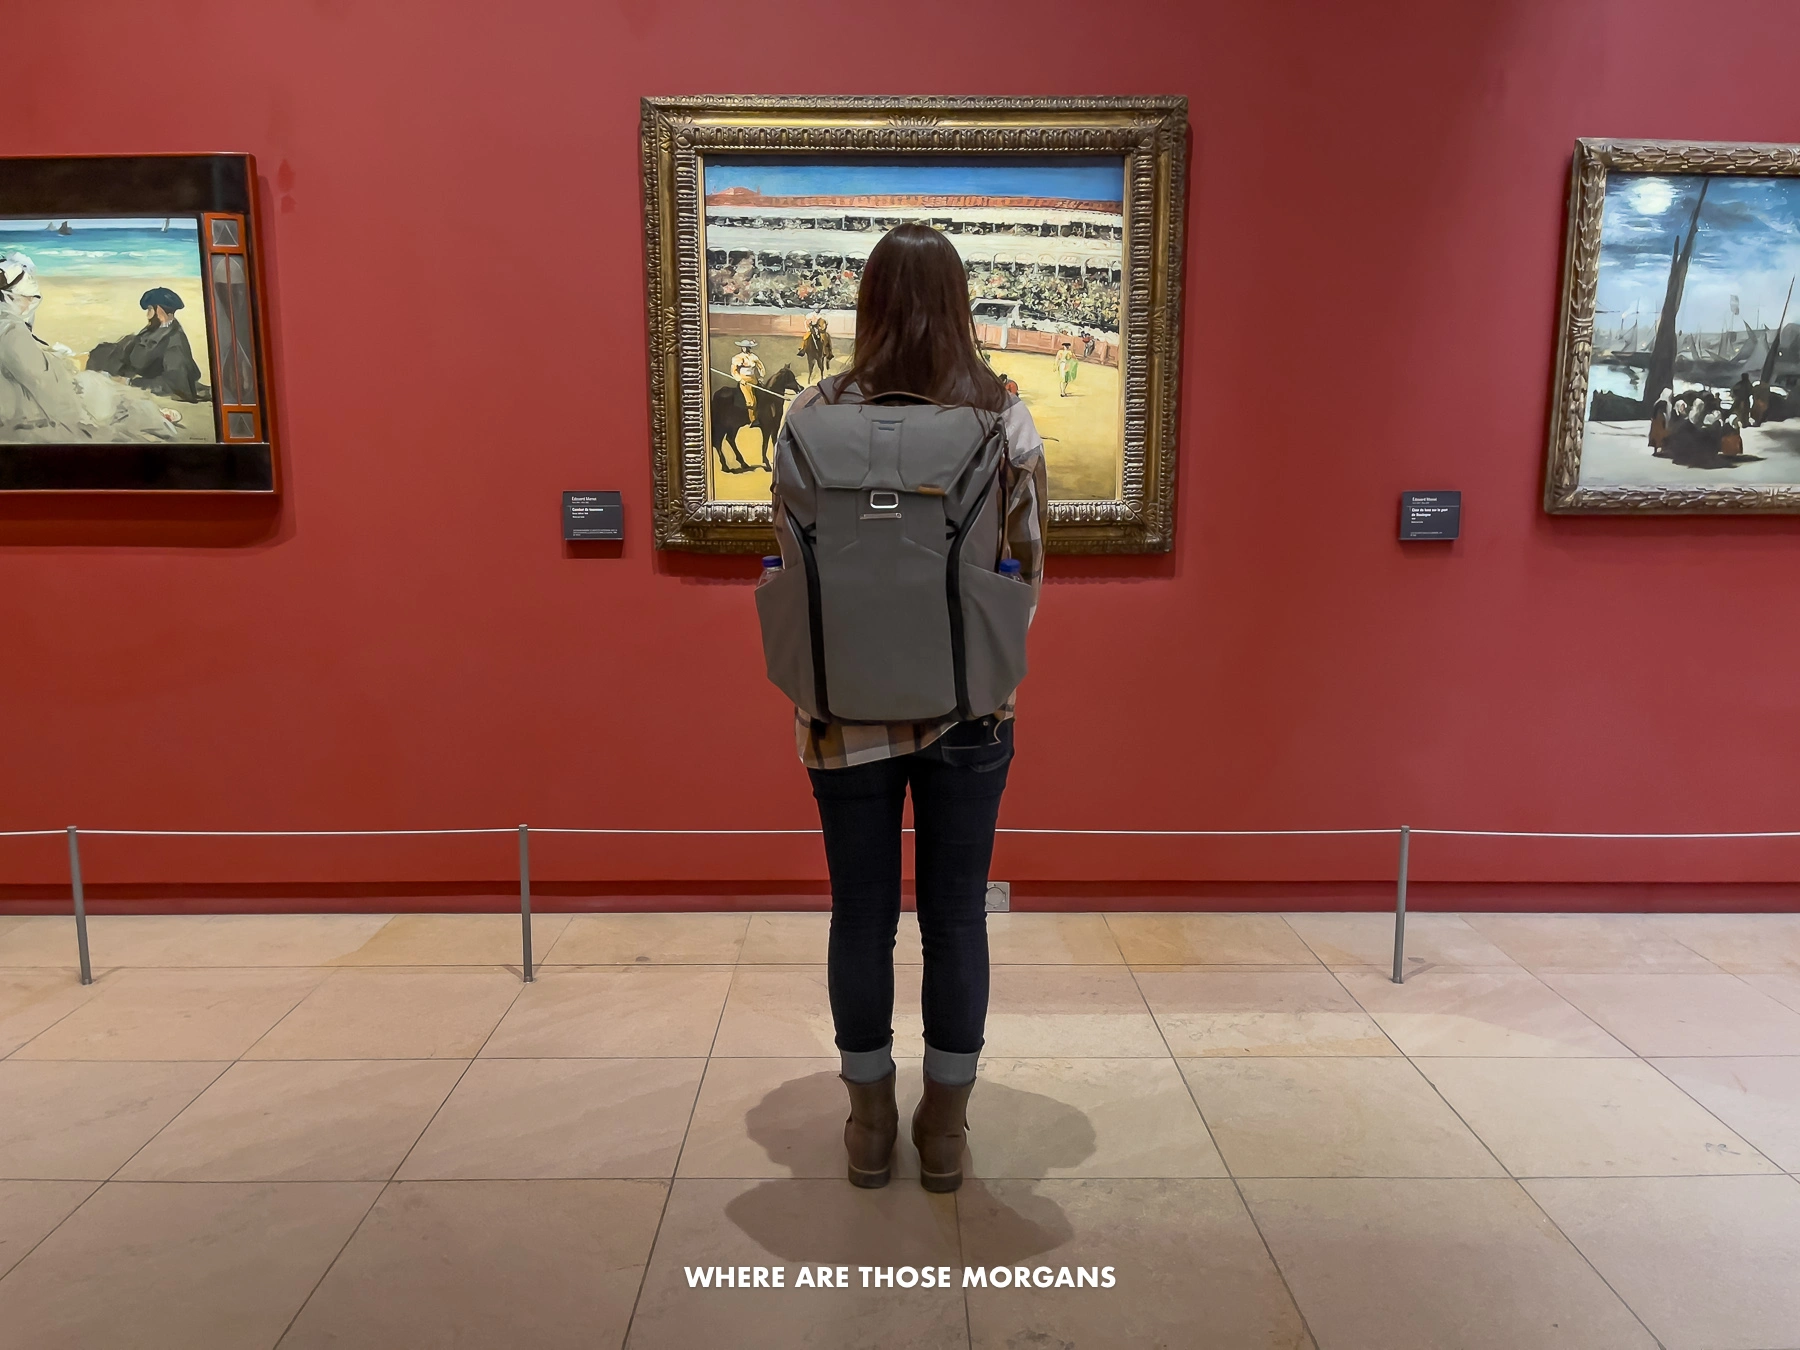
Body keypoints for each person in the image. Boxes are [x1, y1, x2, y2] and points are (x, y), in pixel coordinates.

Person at [771, 223, 1048, 1193]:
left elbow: (794, 559)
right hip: (971, 708)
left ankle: (868, 1124)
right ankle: (946, 1131)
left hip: (841, 713)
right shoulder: (1003, 415)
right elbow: (1029, 565)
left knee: (860, 917)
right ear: (961, 304)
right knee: (956, 919)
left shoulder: (804, 415)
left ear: (869, 304)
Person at [1, 252, 177, 443]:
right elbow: (44, 383)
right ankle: (154, 416)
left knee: (99, 383)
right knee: (103, 392)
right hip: (26, 409)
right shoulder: (11, 329)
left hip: (28, 395)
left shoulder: (9, 326)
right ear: (12, 297)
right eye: (28, 298)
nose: (30, 304)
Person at [86, 287, 209, 402]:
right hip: (119, 365)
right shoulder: (156, 328)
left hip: (134, 378)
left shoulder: (174, 343)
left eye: (150, 309)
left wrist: (130, 382)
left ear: (159, 310)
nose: (147, 314)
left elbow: (173, 382)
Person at [730, 338, 765, 423]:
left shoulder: (753, 357)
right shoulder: (738, 357)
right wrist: (740, 379)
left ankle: (759, 417)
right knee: (751, 402)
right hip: (744, 380)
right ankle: (752, 420)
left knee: (758, 399)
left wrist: (761, 376)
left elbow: (760, 366)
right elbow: (733, 371)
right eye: (743, 347)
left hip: (753, 380)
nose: (745, 348)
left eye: (746, 347)